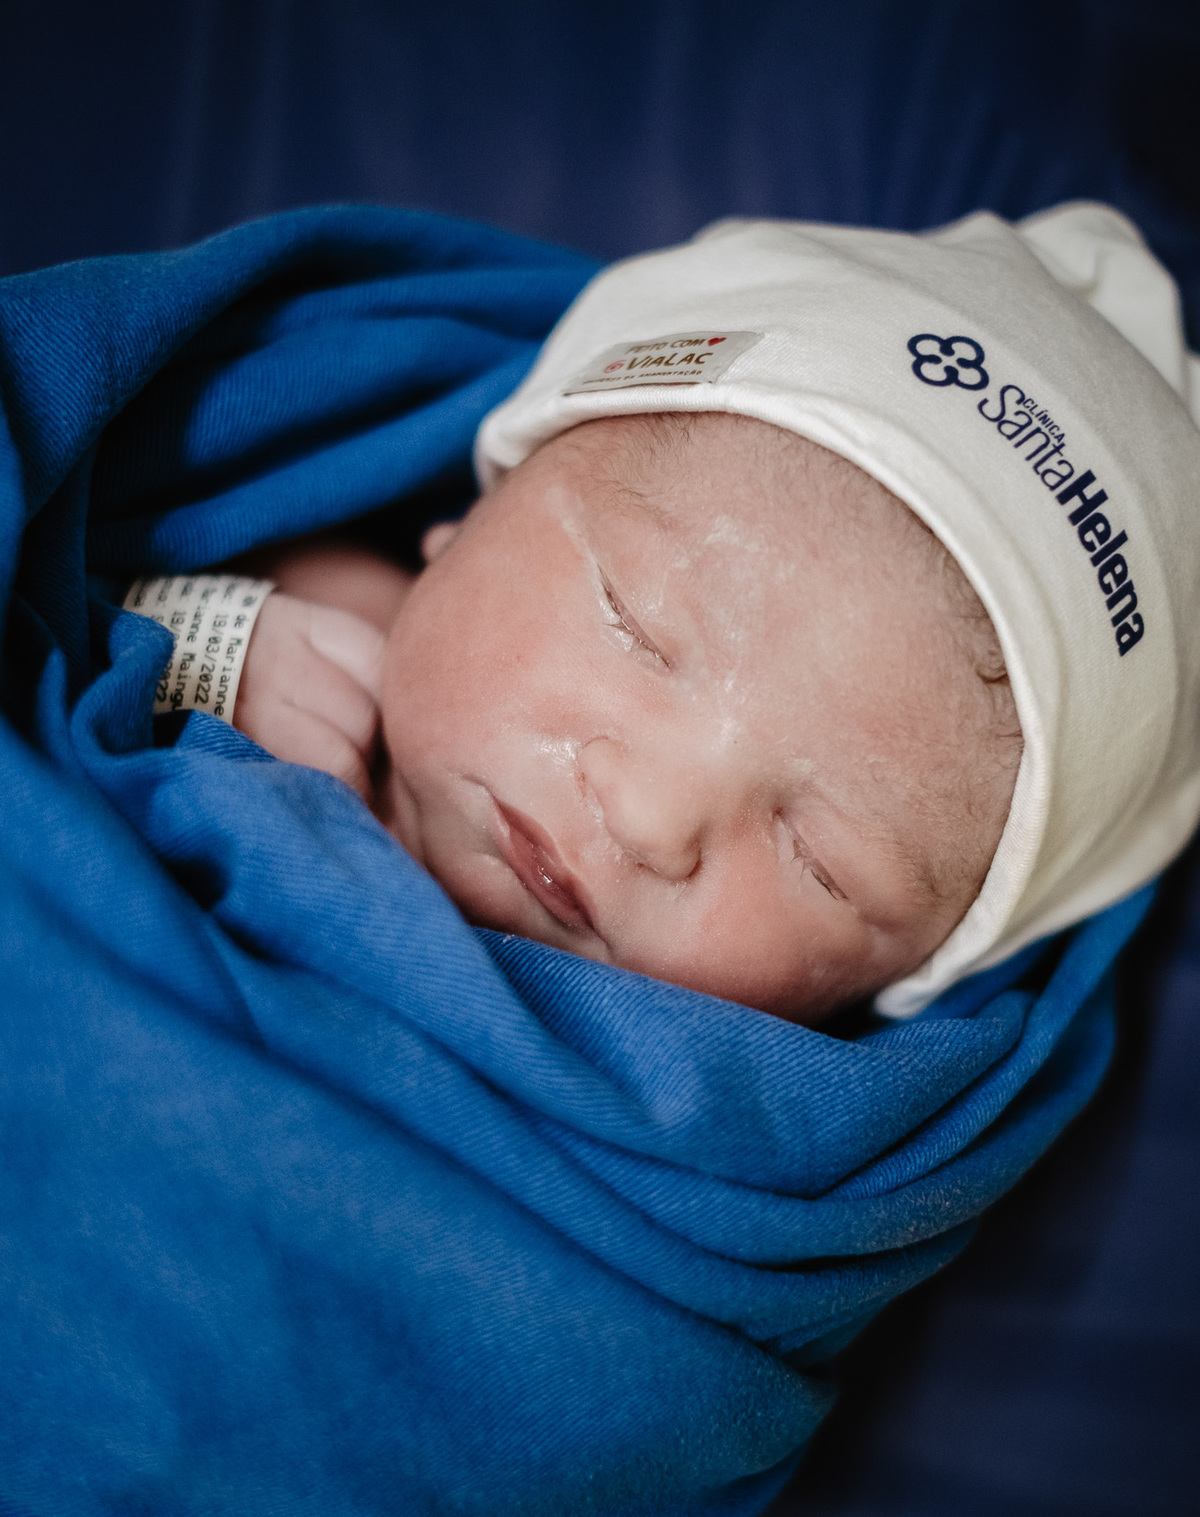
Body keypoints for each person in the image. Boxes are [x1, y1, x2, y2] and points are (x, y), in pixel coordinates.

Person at [125, 200, 1200, 1022]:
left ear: (909, 977)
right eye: (630, 620)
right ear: (473, 517)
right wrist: (202, 646)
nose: (647, 818)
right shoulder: (291, 586)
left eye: (820, 863)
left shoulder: (747, 1151)